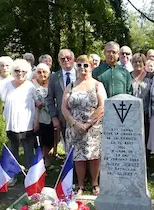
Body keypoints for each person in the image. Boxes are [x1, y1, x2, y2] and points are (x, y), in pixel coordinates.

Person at [62, 55, 107, 196]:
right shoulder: (71, 86)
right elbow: (64, 107)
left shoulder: (97, 85)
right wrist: (75, 123)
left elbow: (102, 106)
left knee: (94, 156)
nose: (83, 68)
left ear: (91, 66)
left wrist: (88, 123)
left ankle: (94, 183)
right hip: (74, 127)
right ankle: (80, 185)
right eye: (80, 65)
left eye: (86, 65)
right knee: (78, 157)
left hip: (93, 128)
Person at [0, 59, 36, 170]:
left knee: (28, 150)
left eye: (23, 71)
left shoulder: (31, 86)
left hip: (27, 123)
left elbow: (37, 105)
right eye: (17, 70)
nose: (20, 73)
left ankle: (30, 176)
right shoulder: (6, 85)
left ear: (28, 72)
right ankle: (12, 173)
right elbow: (1, 103)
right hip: (10, 123)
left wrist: (36, 121)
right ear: (12, 71)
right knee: (12, 149)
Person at [46, 49, 76, 142]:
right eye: (62, 59)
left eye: (68, 58)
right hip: (62, 118)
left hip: (79, 116)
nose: (66, 60)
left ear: (73, 59)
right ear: (59, 61)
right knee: (67, 146)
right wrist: (54, 117)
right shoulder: (54, 77)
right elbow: (49, 99)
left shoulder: (81, 74)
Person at [131, 53, 152, 159]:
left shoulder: (150, 76)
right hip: (131, 113)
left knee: (146, 135)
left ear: (144, 63)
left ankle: (146, 159)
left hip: (146, 111)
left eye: (140, 62)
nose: (137, 64)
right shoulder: (128, 76)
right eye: (135, 62)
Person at [33, 63, 54, 168]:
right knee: (41, 140)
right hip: (38, 117)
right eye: (39, 72)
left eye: (44, 72)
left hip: (51, 116)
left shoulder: (52, 84)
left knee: (50, 140)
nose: (42, 74)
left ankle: (47, 157)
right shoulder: (32, 85)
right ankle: (41, 161)